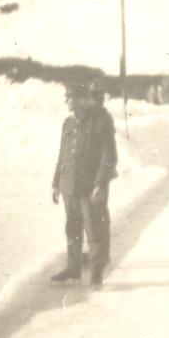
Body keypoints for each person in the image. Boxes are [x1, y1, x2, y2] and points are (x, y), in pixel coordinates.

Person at [51, 83, 118, 286]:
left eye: (72, 98)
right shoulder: (68, 123)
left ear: (82, 100)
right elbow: (62, 155)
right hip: (69, 185)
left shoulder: (98, 121)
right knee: (72, 228)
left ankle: (96, 271)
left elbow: (109, 155)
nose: (68, 102)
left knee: (94, 228)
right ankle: (73, 268)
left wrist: (99, 184)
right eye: (67, 98)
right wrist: (55, 183)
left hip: (89, 186)